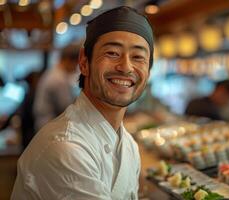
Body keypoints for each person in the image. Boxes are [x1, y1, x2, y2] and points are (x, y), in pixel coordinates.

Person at [12, 6, 154, 200]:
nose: (126, 67)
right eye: (112, 53)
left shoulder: (129, 145)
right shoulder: (65, 147)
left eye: (138, 57)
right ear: (84, 62)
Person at [33, 44, 80, 131]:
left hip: (43, 124)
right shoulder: (58, 79)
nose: (76, 69)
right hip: (49, 126)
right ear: (68, 60)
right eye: (76, 64)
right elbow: (66, 107)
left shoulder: (52, 72)